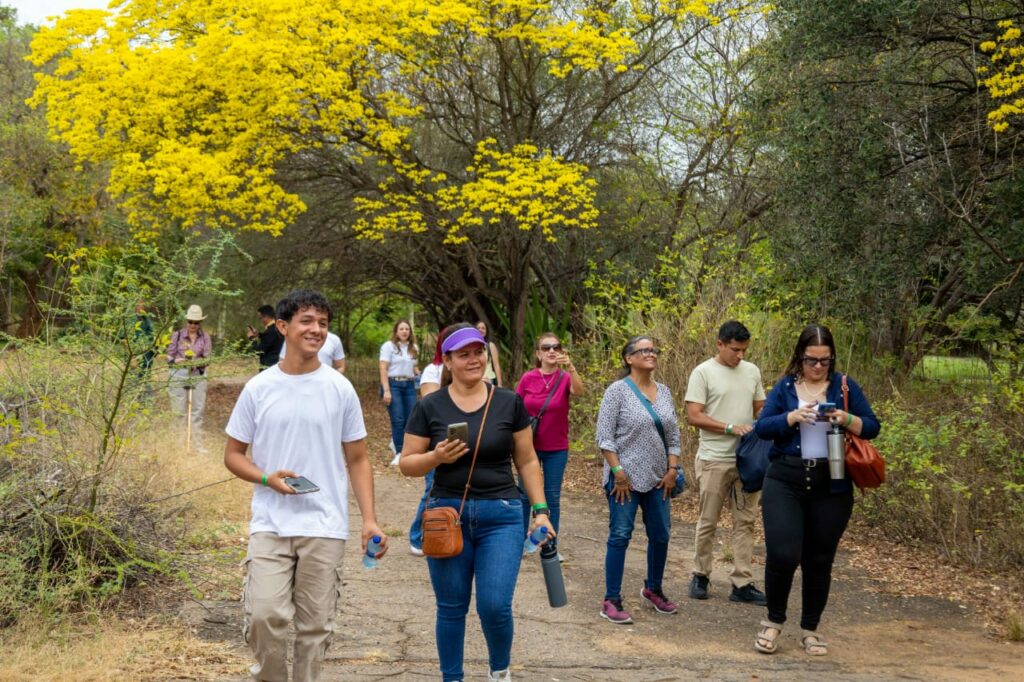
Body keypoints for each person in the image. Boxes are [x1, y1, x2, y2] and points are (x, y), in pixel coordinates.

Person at [223, 289, 387, 681]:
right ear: (282, 327)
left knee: (315, 628)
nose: (317, 330)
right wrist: (266, 478)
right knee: (266, 615)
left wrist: (370, 521)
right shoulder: (259, 388)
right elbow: (233, 455)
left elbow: (358, 458)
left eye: (323, 324)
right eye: (307, 321)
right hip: (270, 523)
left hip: (324, 524)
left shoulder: (338, 388)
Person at [400, 323, 554, 682]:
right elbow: (407, 464)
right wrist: (435, 457)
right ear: (447, 361)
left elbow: (528, 460)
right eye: (464, 354)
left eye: (478, 352)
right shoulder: (430, 406)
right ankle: (451, 677)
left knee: (494, 606)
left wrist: (541, 512)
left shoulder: (508, 401)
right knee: (451, 608)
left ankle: (499, 671)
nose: (473, 359)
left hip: (501, 516)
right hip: (445, 515)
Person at [752, 324, 880, 656]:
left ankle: (810, 628)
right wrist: (791, 417)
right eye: (811, 360)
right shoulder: (784, 388)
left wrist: (845, 418)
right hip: (786, 479)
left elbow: (873, 426)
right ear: (800, 357)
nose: (818, 367)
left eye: (825, 360)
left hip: (832, 481)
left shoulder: (845, 386)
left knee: (819, 559)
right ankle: (773, 620)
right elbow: (763, 428)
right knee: (783, 553)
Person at [596, 335, 682, 624]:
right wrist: (618, 473)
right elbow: (604, 437)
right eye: (643, 350)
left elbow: (673, 435)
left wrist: (672, 469)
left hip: (659, 478)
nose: (651, 354)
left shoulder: (665, 392)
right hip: (625, 481)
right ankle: (611, 599)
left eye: (653, 350)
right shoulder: (617, 391)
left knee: (661, 534)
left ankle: (653, 588)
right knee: (620, 535)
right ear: (628, 358)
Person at [685, 320, 768, 604]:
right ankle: (700, 575)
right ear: (720, 344)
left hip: (748, 460)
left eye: (744, 350)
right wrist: (731, 427)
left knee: (745, 522)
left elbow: (760, 410)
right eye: (735, 349)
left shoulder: (752, 371)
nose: (740, 355)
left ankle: (742, 583)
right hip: (714, 458)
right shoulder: (703, 373)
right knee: (708, 520)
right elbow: (694, 415)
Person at [515, 332, 584, 559]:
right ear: (538, 353)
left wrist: (571, 367)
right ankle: (520, 543)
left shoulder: (564, 378)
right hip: (528, 446)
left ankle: (547, 544)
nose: (552, 351)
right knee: (525, 495)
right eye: (546, 348)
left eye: (556, 347)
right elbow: (515, 408)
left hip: (556, 447)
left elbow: (579, 392)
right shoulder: (528, 378)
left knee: (551, 497)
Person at [406, 325, 451, 556]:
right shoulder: (433, 370)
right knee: (433, 490)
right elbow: (431, 403)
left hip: (463, 440)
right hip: (436, 442)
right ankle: (416, 535)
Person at [166, 304, 212, 441]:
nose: (193, 325)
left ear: (200, 323)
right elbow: (168, 356)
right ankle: (178, 443)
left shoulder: (205, 337)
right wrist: (176, 360)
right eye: (190, 321)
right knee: (179, 411)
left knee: (198, 411)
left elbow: (207, 358)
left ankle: (197, 443)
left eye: (196, 322)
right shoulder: (177, 335)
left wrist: (195, 363)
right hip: (178, 375)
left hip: (198, 375)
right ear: (187, 321)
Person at [379, 319, 419, 464]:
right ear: (396, 331)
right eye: (401, 329)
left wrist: (419, 373)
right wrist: (386, 390)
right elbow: (383, 368)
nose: (404, 331)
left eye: (407, 329)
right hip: (393, 384)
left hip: (409, 385)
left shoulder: (413, 347)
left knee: (411, 419)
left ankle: (409, 450)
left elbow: (413, 367)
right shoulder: (388, 346)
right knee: (398, 419)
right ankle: (399, 452)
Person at [279, 329, 346, 373]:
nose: (316, 328)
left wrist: (332, 381)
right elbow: (282, 361)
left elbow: (340, 366)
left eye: (322, 322)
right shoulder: (293, 338)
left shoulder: (334, 340)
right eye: (306, 321)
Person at [246, 304, 284, 370]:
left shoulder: (270, 331)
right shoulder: (278, 327)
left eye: (260, 318)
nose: (260, 321)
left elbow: (258, 351)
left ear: (266, 317)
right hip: (277, 364)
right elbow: (271, 341)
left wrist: (252, 338)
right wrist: (259, 335)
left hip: (269, 367)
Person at [475, 320, 504, 387]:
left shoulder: (490, 345)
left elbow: (496, 365)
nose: (480, 330)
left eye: (483, 328)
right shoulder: (471, 347)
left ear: (486, 331)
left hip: (489, 380)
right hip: (476, 381)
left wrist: (499, 384)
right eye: (478, 328)